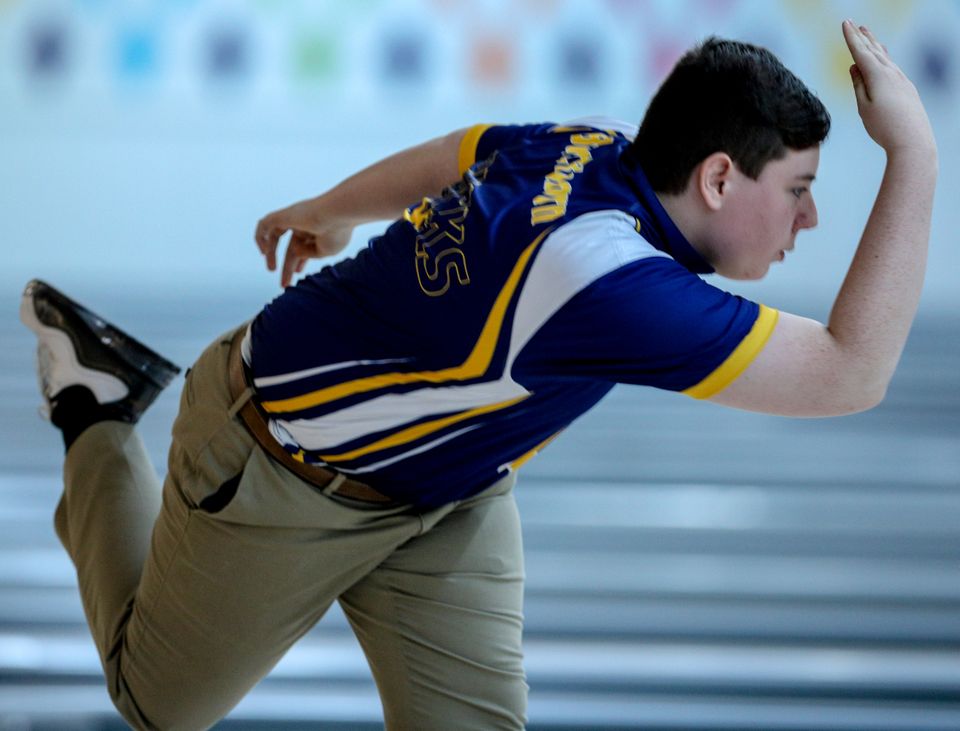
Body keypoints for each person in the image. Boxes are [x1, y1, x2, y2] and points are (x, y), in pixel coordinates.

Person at [20, 20, 936, 731]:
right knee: (158, 704)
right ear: (721, 179)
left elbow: (460, 149)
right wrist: (917, 159)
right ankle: (96, 405)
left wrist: (333, 210)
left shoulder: (594, 148)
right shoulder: (613, 284)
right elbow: (850, 372)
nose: (810, 218)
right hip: (276, 463)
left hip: (447, 490)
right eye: (800, 188)